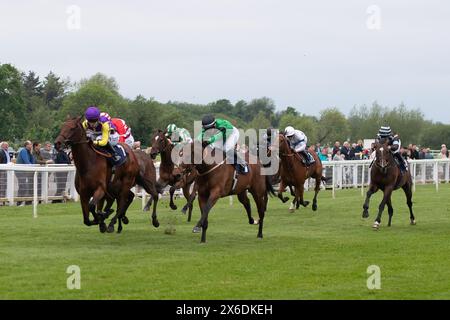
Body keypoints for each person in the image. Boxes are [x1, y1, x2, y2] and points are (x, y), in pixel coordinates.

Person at [16, 141, 36, 206]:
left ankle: (23, 202)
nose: (31, 146)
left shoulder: (29, 152)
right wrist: (32, 166)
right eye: (30, 144)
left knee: (25, 186)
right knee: (23, 186)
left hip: (24, 171)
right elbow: (27, 161)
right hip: (20, 171)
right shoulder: (23, 151)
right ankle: (19, 202)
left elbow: (32, 162)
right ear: (26, 145)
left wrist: (31, 153)